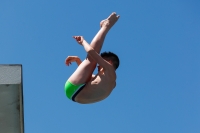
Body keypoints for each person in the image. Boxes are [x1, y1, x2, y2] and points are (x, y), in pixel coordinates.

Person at [64, 12, 120, 104]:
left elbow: (91, 52)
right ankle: (104, 27)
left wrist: (82, 41)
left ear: (109, 62)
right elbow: (87, 76)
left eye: (102, 62)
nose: (98, 66)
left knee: (92, 58)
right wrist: (78, 60)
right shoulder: (111, 82)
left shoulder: (109, 70)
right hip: (75, 93)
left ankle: (106, 26)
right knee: (92, 60)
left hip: (75, 88)